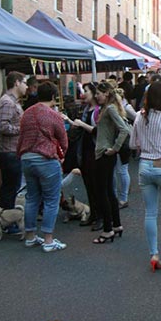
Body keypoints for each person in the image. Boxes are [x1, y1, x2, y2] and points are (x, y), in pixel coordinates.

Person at [130, 82, 161, 272]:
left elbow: (133, 144)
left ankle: (153, 254)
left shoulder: (139, 117)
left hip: (144, 164)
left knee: (150, 212)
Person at [17, 81, 68, 253]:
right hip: (46, 159)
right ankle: (48, 240)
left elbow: (20, 136)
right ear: (53, 96)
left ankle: (30, 236)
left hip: (26, 158)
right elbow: (63, 140)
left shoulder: (26, 113)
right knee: (51, 200)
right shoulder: (53, 115)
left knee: (32, 198)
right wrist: (61, 157)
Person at [92, 81, 130, 244]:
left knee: (103, 193)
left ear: (106, 93)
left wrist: (114, 148)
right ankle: (116, 224)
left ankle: (107, 230)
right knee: (109, 191)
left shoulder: (110, 109)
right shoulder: (109, 108)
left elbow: (124, 129)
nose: (96, 96)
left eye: (98, 93)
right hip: (106, 153)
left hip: (104, 154)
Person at [0, 71, 27, 212]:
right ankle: (6, 218)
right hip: (8, 152)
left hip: (13, 150)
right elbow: (1, 126)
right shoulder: (7, 102)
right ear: (17, 83)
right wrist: (21, 129)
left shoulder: (13, 102)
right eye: (24, 82)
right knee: (10, 186)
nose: (27, 86)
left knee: (12, 185)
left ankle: (6, 217)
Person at [69, 83, 101, 228]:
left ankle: (100, 217)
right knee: (88, 184)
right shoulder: (86, 109)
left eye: (86, 91)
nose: (83, 94)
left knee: (97, 185)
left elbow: (98, 131)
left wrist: (81, 124)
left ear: (94, 93)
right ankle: (93, 214)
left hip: (95, 151)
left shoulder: (98, 110)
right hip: (85, 151)